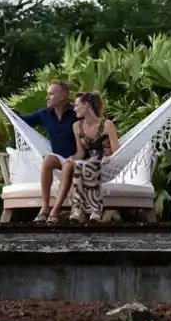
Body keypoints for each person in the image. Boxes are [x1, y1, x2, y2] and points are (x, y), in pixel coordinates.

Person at [0, 79, 80, 222]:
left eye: (51, 94)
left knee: (66, 163)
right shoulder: (45, 114)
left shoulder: (77, 112)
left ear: (62, 96)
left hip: (78, 159)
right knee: (48, 158)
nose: (47, 97)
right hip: (60, 159)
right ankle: (45, 208)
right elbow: (16, 119)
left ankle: (55, 212)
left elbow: (94, 126)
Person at [47, 91, 118, 223]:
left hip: (105, 163)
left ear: (86, 105)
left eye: (76, 105)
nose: (74, 109)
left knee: (89, 165)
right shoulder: (77, 126)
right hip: (87, 162)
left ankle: (96, 209)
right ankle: (77, 210)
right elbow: (80, 153)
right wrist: (71, 158)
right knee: (79, 165)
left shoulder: (107, 125)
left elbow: (117, 151)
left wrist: (109, 157)